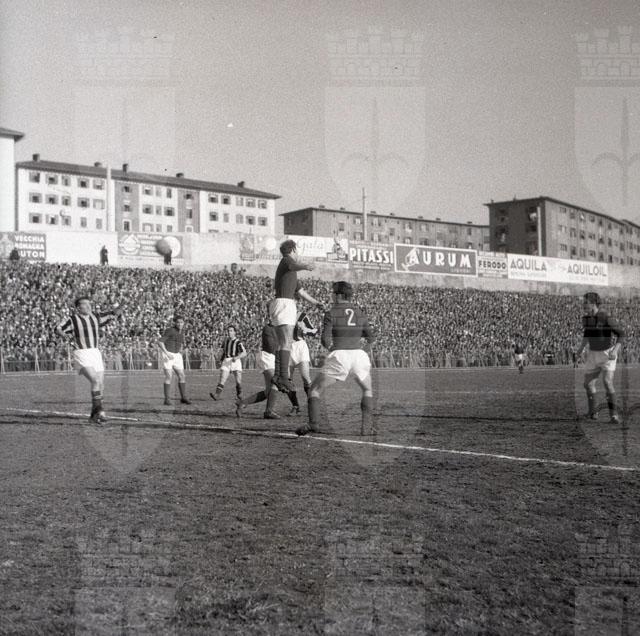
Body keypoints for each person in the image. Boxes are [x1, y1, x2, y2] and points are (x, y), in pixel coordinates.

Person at [296, 281, 375, 437]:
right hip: (359, 356)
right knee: (367, 389)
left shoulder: (331, 312)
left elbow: (325, 340)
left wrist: (334, 350)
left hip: (340, 355)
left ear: (339, 295)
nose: (331, 295)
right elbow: (371, 338)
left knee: (314, 390)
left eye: (333, 292)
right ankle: (366, 428)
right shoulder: (360, 312)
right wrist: (363, 351)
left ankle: (313, 424)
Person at [56, 296, 122, 423]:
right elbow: (58, 328)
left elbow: (113, 314)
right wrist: (65, 336)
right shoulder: (72, 320)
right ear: (78, 308)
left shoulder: (96, 317)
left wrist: (121, 307)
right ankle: (100, 412)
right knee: (95, 380)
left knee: (100, 384)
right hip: (82, 352)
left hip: (95, 352)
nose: (88, 306)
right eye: (84, 304)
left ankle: (93, 415)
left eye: (89, 304)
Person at [270, 240, 324, 393]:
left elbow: (300, 292)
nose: (298, 253)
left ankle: (278, 376)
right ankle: (283, 377)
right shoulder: (287, 260)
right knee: (286, 341)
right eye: (297, 250)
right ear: (293, 250)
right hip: (285, 303)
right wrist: (306, 266)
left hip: (281, 303)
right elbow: (293, 265)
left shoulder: (289, 271)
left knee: (282, 342)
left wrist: (315, 303)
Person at [575, 292, 625, 423]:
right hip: (593, 354)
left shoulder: (605, 317)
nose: (583, 305)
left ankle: (614, 416)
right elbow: (587, 334)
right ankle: (593, 413)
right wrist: (580, 349)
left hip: (607, 354)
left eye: (585, 302)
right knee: (588, 384)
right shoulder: (586, 319)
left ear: (593, 303)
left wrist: (615, 350)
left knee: (607, 382)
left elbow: (621, 334)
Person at [236, 315, 297, 419]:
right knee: (276, 382)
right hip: (268, 357)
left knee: (269, 391)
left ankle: (243, 403)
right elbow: (271, 346)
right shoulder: (268, 328)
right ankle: (269, 411)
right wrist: (283, 348)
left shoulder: (279, 328)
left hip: (273, 358)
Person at [287, 309, 318, 416]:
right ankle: (295, 407)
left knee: (305, 377)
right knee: (287, 379)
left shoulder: (301, 315)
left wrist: (305, 329)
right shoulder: (282, 315)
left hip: (300, 347)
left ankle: (312, 405)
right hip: (287, 348)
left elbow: (314, 331)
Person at [158, 315, 191, 406]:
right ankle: (167, 400)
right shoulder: (170, 330)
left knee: (182, 376)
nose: (180, 324)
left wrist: (182, 351)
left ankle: (183, 398)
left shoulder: (182, 332)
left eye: (181, 322)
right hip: (168, 354)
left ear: (184, 323)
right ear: (175, 323)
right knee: (169, 376)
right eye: (178, 322)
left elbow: (179, 344)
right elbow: (160, 342)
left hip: (177, 356)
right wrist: (166, 353)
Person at [210, 325, 247, 403]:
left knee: (238, 381)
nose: (229, 332)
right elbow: (224, 352)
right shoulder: (225, 341)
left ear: (234, 332)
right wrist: (220, 360)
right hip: (226, 361)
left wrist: (236, 357)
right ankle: (217, 395)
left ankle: (239, 395)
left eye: (231, 331)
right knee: (222, 378)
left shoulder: (238, 342)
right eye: (228, 331)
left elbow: (244, 353)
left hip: (235, 361)